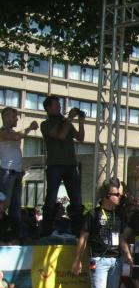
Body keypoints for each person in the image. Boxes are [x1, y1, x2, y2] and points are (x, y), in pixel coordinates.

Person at [72, 178, 132, 288]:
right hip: (98, 259)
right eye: (116, 194)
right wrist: (77, 260)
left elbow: (122, 237)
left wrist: (127, 254)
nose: (119, 197)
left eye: (120, 194)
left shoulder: (119, 215)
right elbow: (83, 238)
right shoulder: (93, 214)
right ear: (106, 195)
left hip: (116, 260)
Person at [40, 95, 85, 236]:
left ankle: (78, 231)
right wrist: (69, 119)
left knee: (76, 199)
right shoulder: (46, 124)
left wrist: (81, 122)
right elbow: (60, 135)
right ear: (48, 108)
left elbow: (80, 138)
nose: (59, 107)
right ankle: (47, 230)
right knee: (51, 198)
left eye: (59, 105)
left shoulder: (66, 122)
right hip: (55, 165)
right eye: (56, 105)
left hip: (71, 165)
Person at [0, 107, 37, 238]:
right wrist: (30, 128)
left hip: (16, 171)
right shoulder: (2, 132)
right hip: (7, 171)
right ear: (5, 117)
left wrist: (21, 169)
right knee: (4, 204)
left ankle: (15, 234)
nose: (16, 119)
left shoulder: (11, 132)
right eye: (13, 117)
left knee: (16, 205)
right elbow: (16, 137)